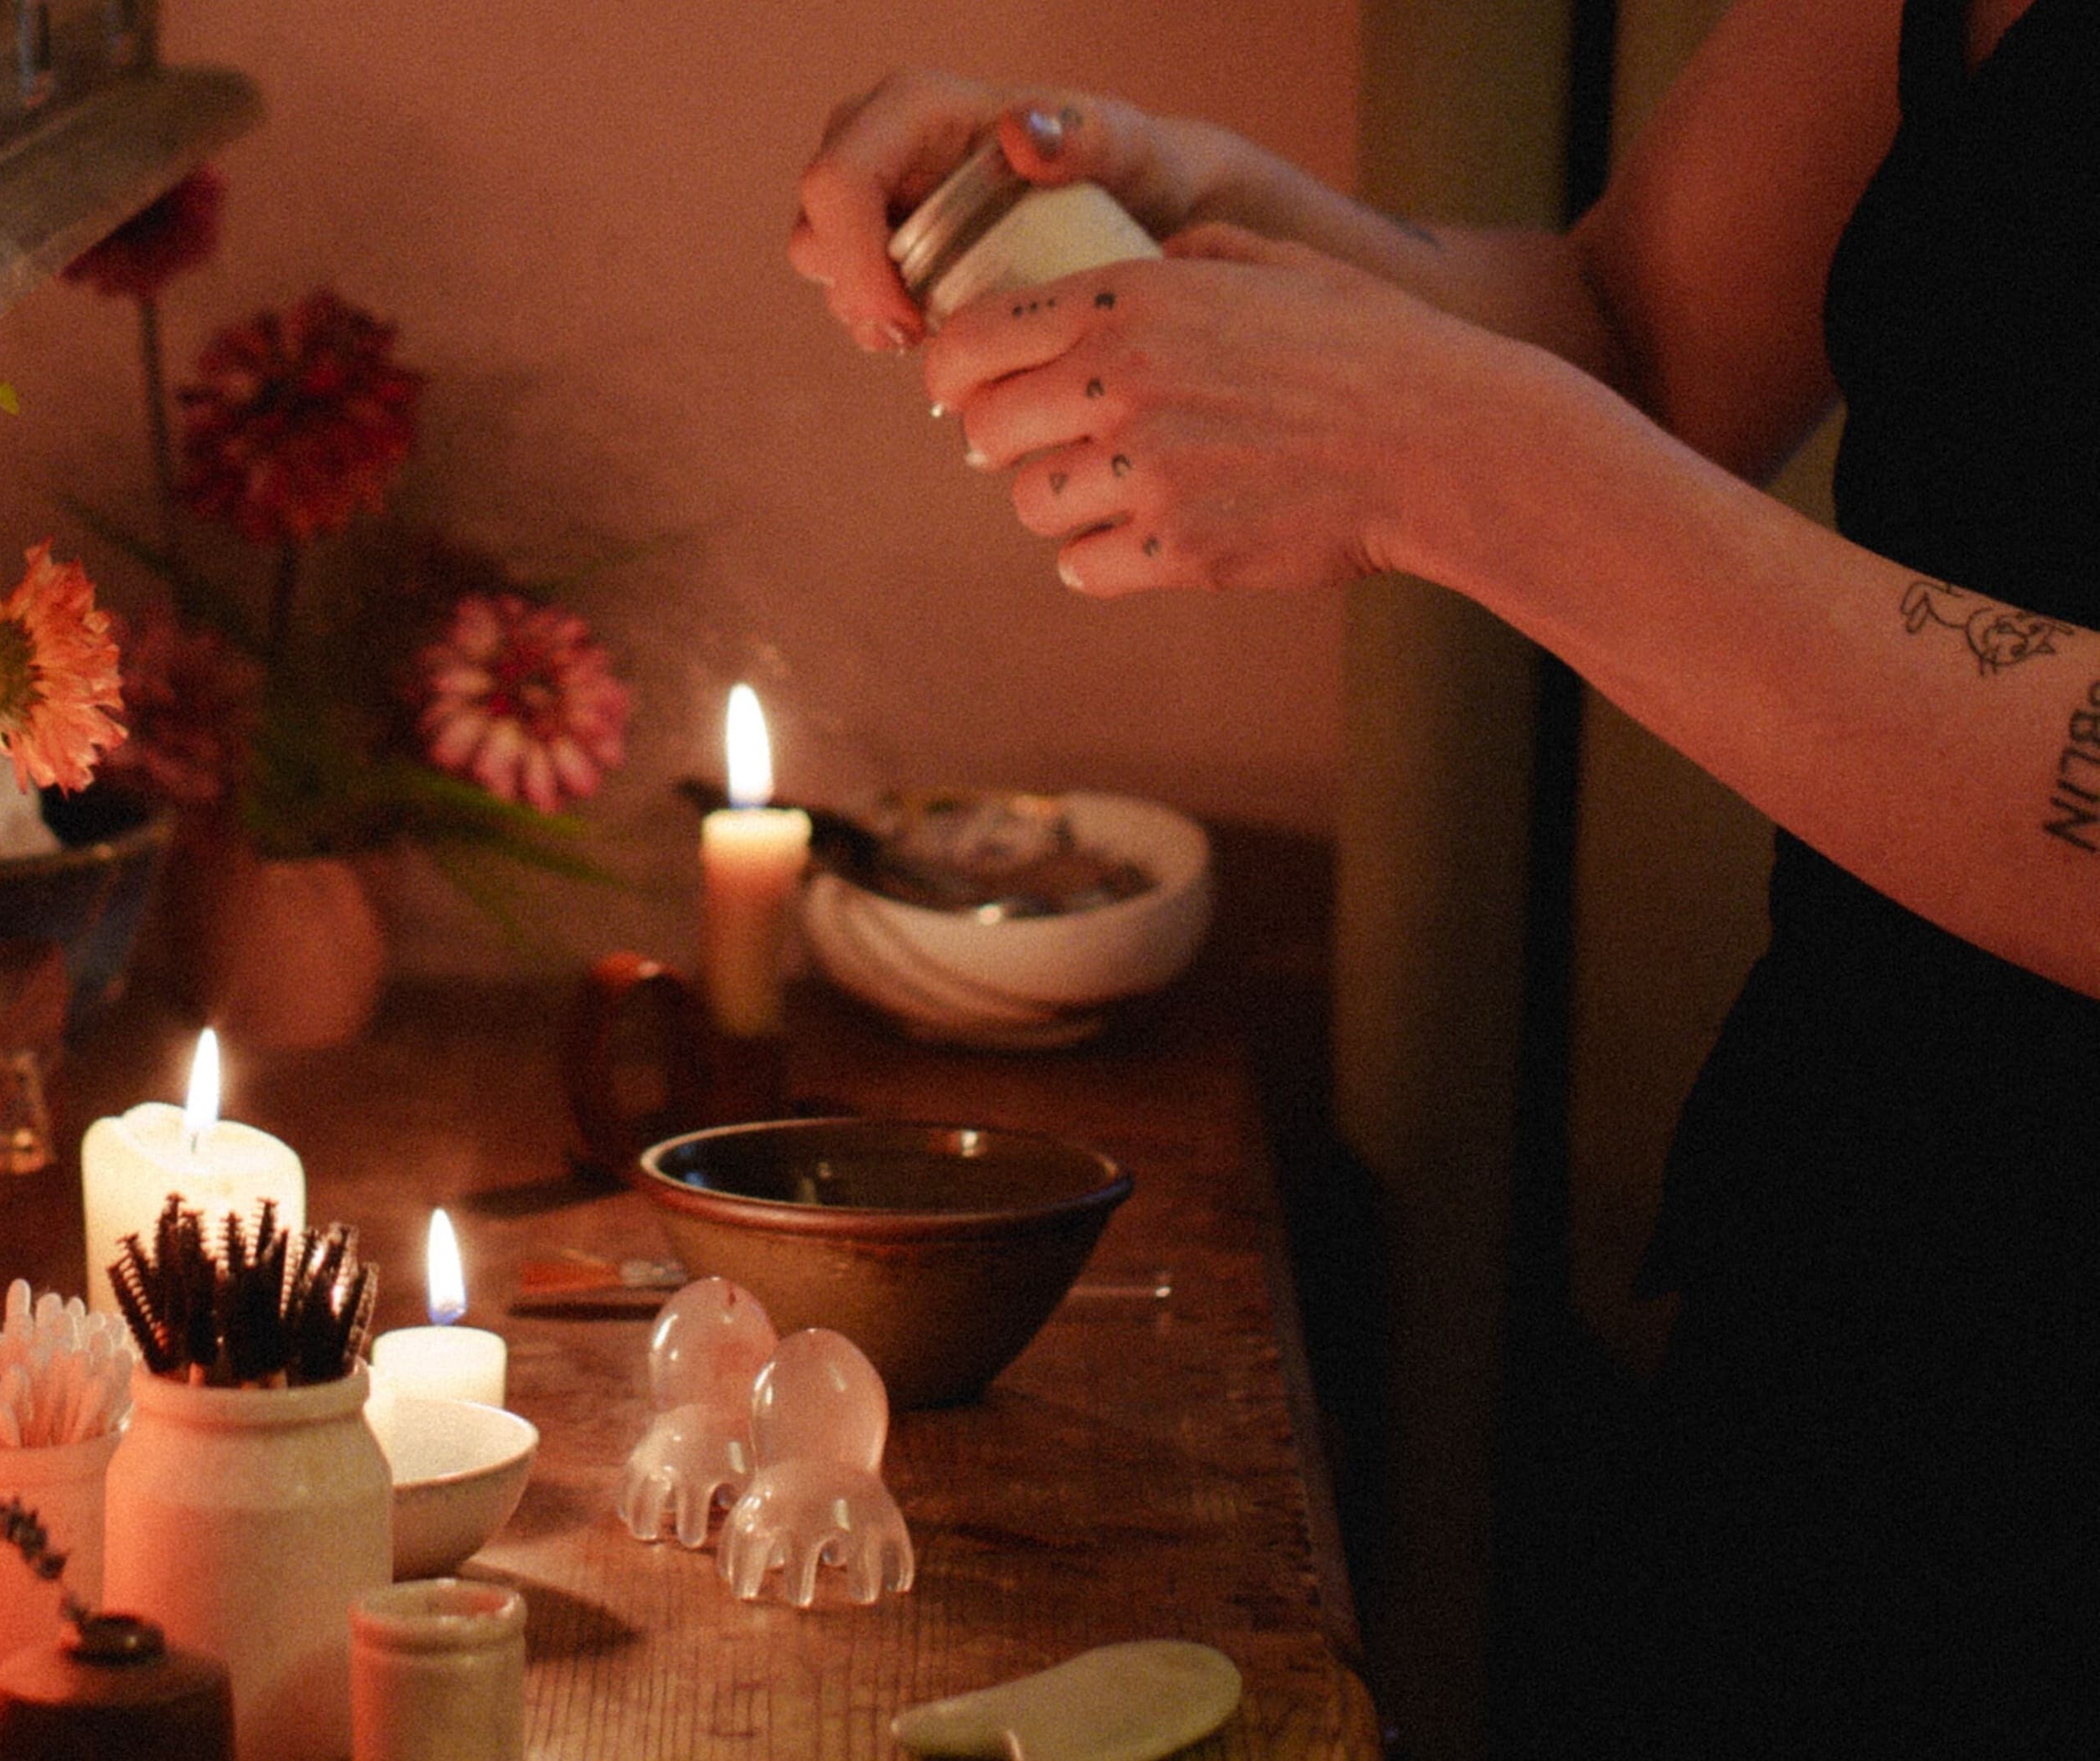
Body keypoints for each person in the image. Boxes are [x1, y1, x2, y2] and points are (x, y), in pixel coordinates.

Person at [792, 1, 2099, 1754]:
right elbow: (1641, 340)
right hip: (1863, 1252)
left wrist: (1452, 457)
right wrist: (1166, 211)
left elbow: (1539, 439)